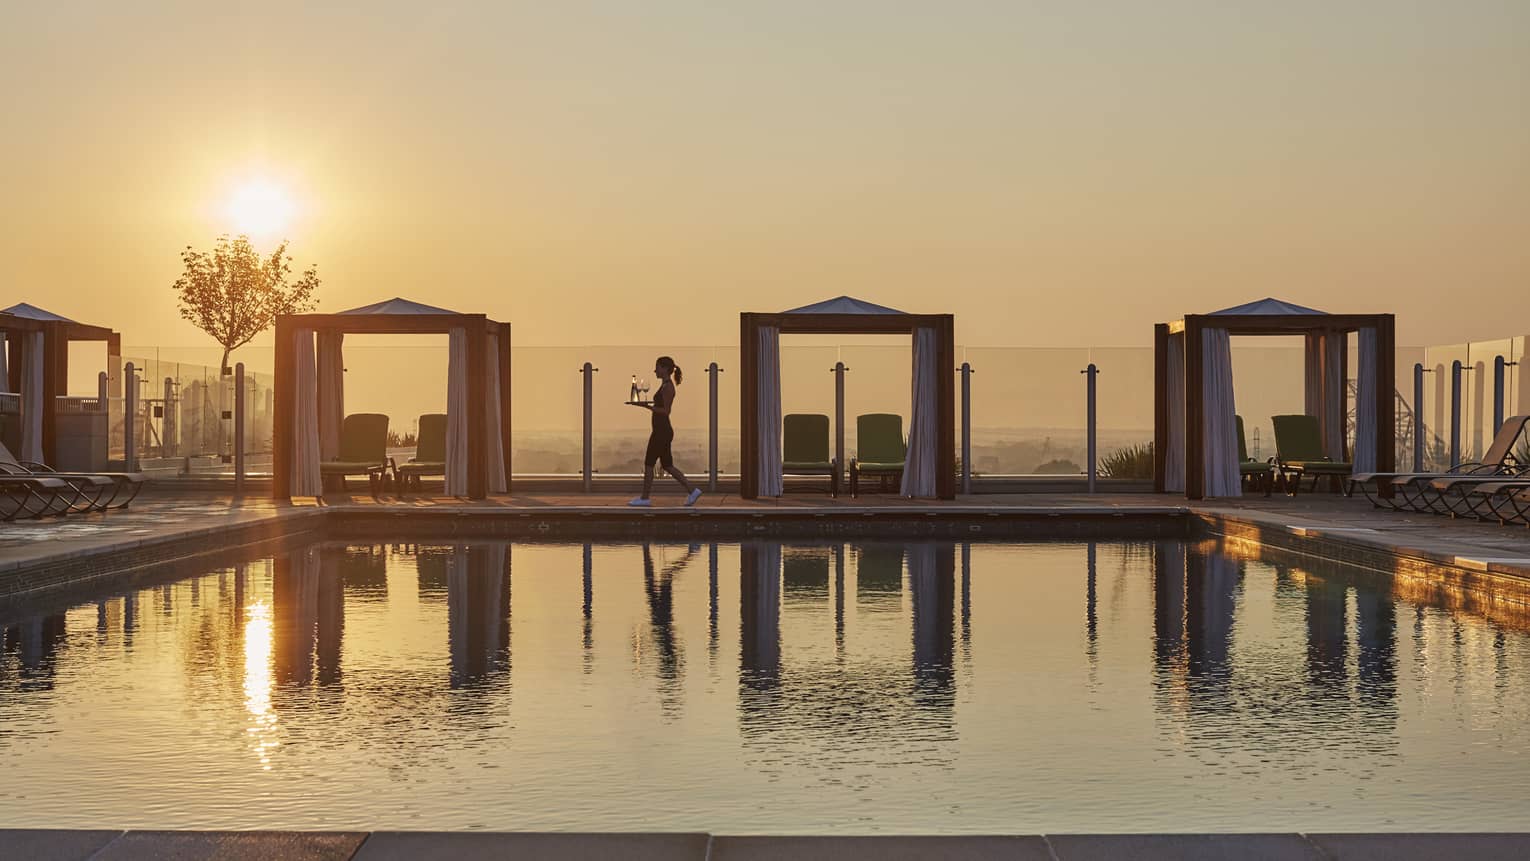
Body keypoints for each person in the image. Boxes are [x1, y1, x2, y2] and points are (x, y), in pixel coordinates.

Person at [630, 356, 703, 507]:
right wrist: (647, 405)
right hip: (661, 430)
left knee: (649, 464)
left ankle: (644, 498)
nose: (655, 370)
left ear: (664, 368)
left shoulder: (669, 387)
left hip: (661, 432)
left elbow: (665, 411)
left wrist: (646, 406)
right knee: (667, 465)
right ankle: (692, 490)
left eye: (657, 367)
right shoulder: (664, 386)